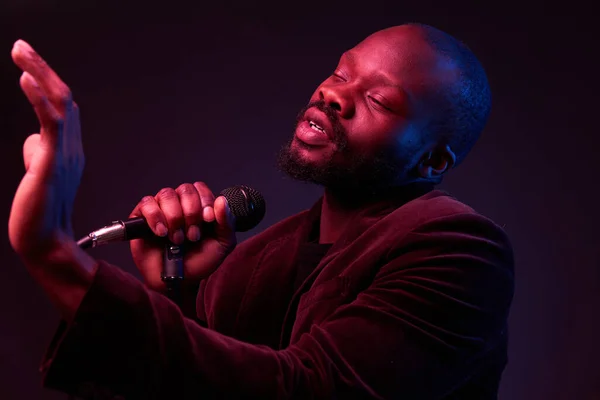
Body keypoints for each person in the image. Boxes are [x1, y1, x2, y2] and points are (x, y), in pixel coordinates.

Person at [8, 23, 514, 399]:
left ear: (432, 161)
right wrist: (177, 290)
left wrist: (53, 251)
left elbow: (305, 389)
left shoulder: (460, 250)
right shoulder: (251, 263)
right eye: (340, 72)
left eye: (379, 99)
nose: (333, 94)